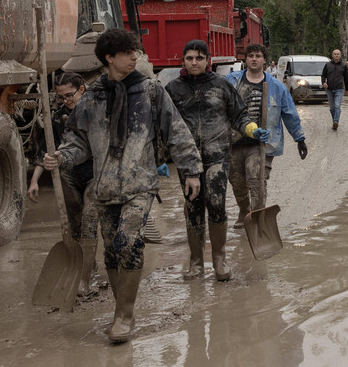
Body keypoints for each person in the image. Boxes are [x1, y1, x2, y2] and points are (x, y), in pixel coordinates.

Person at [43, 29, 202, 343]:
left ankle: (124, 317)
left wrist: (192, 170)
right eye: (129, 52)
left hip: (139, 185)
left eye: (136, 52)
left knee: (128, 242)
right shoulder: (91, 98)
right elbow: (78, 143)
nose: (135, 57)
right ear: (109, 58)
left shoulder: (151, 91)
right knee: (113, 253)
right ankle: (122, 307)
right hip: (104, 189)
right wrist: (60, 157)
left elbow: (176, 132)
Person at [166, 40, 265, 281]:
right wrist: (160, 156)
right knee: (193, 206)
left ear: (207, 60)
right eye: (189, 58)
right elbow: (162, 125)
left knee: (216, 203)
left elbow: (239, 115)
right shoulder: (172, 89)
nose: (194, 62)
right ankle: (196, 261)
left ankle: (219, 259)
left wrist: (252, 129)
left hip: (218, 156)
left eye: (199, 58)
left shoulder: (221, 86)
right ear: (183, 61)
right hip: (187, 160)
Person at [27, 71, 98, 296]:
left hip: (96, 173)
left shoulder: (97, 112)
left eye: (69, 96)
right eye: (61, 98)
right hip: (68, 174)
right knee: (73, 223)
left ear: (82, 90)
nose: (66, 101)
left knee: (89, 220)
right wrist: (34, 181)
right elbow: (45, 152)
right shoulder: (56, 118)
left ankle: (84, 281)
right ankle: (85, 265)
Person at [225, 43, 308, 227]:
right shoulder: (231, 81)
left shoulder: (277, 87)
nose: (254, 59)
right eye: (251, 56)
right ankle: (244, 211)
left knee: (256, 181)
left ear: (264, 60)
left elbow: (290, 113)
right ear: (245, 59)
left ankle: (258, 220)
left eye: (258, 56)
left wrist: (299, 138)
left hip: (261, 144)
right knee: (237, 183)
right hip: (234, 142)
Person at [321, 49, 348, 130]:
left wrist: (347, 90)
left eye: (338, 54)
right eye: (335, 54)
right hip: (329, 89)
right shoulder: (327, 65)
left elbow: (346, 79)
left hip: (339, 89)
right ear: (332, 55)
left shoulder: (343, 66)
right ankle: (334, 122)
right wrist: (323, 83)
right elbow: (323, 76)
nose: (336, 55)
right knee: (332, 108)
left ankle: (336, 121)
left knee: (337, 105)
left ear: (340, 56)